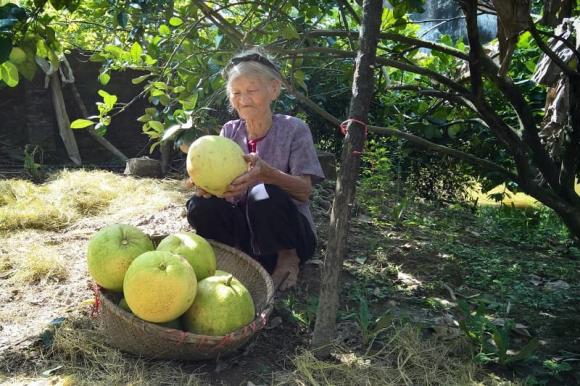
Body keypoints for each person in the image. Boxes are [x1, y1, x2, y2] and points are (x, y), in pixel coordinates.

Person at [185, 49, 325, 291]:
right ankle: (238, 257)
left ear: (273, 89)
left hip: (290, 234)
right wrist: (205, 186)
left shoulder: (294, 129)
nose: (243, 99)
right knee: (199, 206)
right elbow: (223, 189)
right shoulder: (229, 130)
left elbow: (304, 192)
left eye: (251, 90)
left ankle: (287, 258)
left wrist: (268, 174)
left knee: (262, 192)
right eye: (236, 93)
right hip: (248, 237)